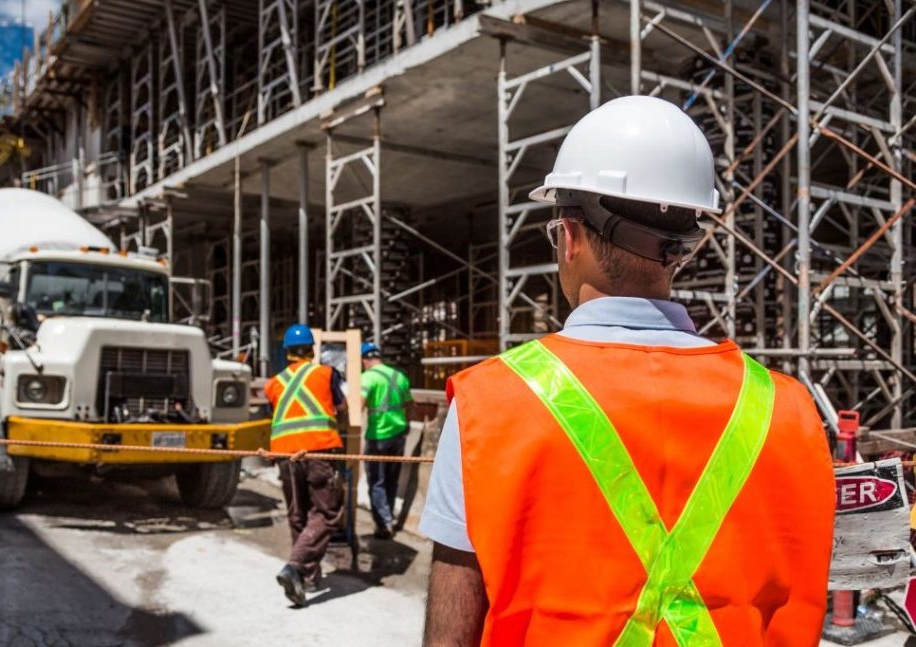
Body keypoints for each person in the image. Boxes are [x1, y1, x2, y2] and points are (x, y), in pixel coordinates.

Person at [420, 96, 835, 645]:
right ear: (683, 249)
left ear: (568, 236)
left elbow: (452, 629)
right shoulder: (787, 408)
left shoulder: (489, 404)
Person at [265, 324, 347, 607]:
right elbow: (343, 406)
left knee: (298, 514)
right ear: (312, 350)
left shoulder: (273, 383)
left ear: (286, 352)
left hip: (285, 456)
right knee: (328, 514)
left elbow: (277, 416)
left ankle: (307, 578)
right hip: (318, 450)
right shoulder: (326, 374)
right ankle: (296, 566)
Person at [359, 342, 413, 539]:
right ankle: (388, 516)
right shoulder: (399, 376)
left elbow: (360, 405)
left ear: (365, 360)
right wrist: (406, 423)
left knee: (376, 481)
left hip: (377, 437)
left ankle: (384, 524)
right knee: (391, 479)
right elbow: (410, 404)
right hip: (398, 436)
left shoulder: (367, 377)